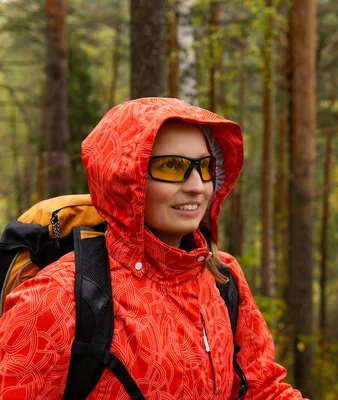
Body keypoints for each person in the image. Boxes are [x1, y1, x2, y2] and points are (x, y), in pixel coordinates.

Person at [0, 97, 305, 399]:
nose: (197, 186)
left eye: (205, 166)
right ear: (124, 177)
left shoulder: (223, 278)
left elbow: (262, 390)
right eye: (172, 166)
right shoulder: (55, 298)